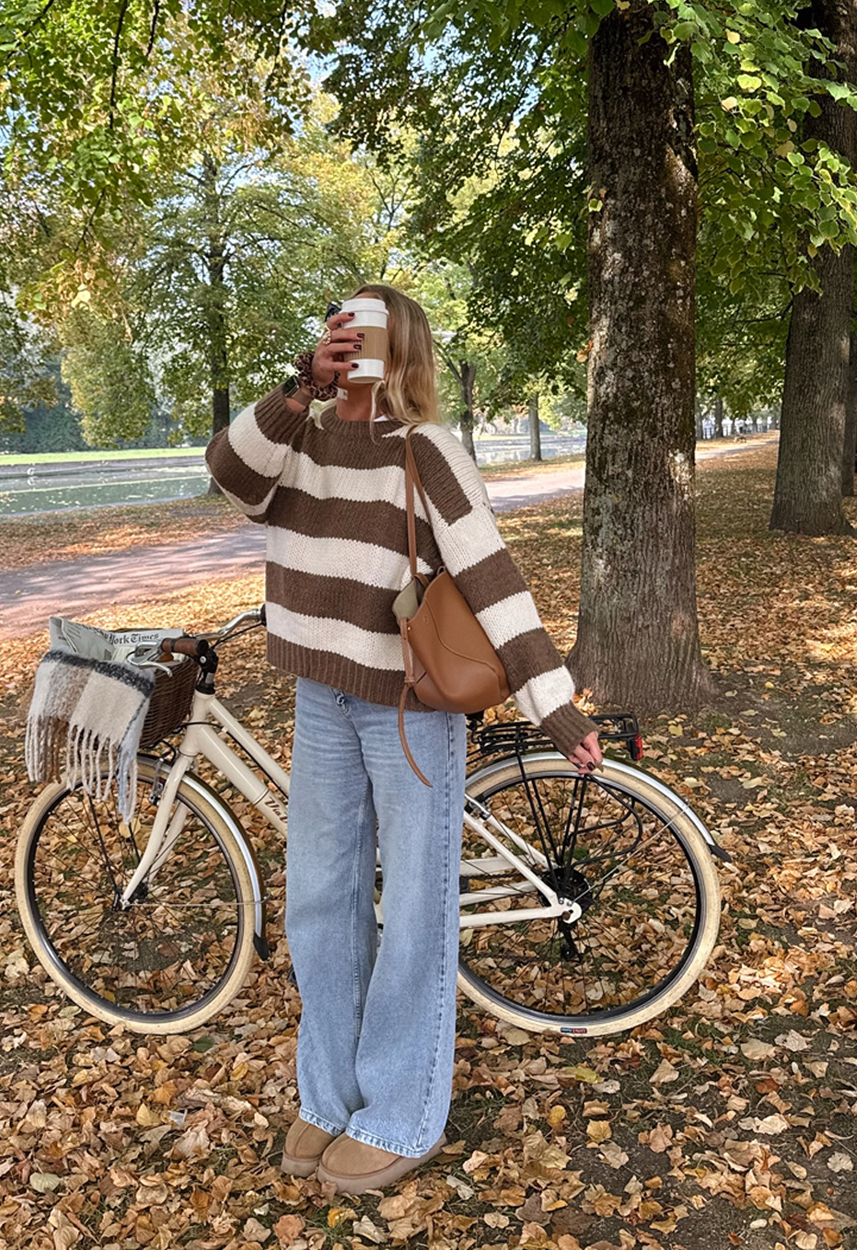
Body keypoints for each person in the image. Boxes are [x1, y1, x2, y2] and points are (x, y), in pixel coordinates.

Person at [205, 285, 601, 1196]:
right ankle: (329, 1095)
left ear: (405, 349)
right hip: (320, 695)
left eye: (368, 332)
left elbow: (494, 577)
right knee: (318, 900)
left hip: (406, 711)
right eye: (337, 328)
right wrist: (299, 384)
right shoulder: (295, 437)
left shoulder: (428, 451)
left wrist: (555, 703)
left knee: (415, 912)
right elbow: (230, 475)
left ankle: (402, 1110)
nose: (351, 344)